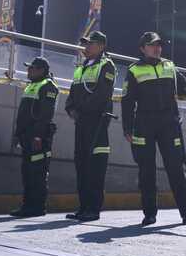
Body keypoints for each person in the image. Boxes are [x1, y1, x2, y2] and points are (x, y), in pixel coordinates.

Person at [122, 31, 186, 226]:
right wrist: (128, 129)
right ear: (143, 49)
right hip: (143, 125)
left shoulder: (169, 66)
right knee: (146, 171)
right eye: (152, 45)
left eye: (159, 45)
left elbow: (184, 86)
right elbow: (127, 101)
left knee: (176, 169)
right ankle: (149, 214)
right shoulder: (134, 70)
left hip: (169, 124)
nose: (157, 48)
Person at [64, 30, 116, 221]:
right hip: (81, 122)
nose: (85, 47)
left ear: (101, 46)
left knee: (95, 167)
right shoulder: (81, 68)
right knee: (81, 164)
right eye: (85, 44)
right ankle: (83, 207)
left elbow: (101, 95)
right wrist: (71, 109)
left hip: (97, 123)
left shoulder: (106, 65)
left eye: (90, 44)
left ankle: (93, 209)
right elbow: (71, 94)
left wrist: (82, 111)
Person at [10, 57, 58, 218]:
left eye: (32, 68)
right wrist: (17, 134)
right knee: (27, 172)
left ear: (41, 70)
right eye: (28, 68)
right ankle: (27, 206)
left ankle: (37, 207)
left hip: (38, 138)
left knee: (37, 173)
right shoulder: (31, 85)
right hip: (26, 136)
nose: (28, 71)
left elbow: (45, 115)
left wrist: (38, 136)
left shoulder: (48, 86)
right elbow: (23, 114)